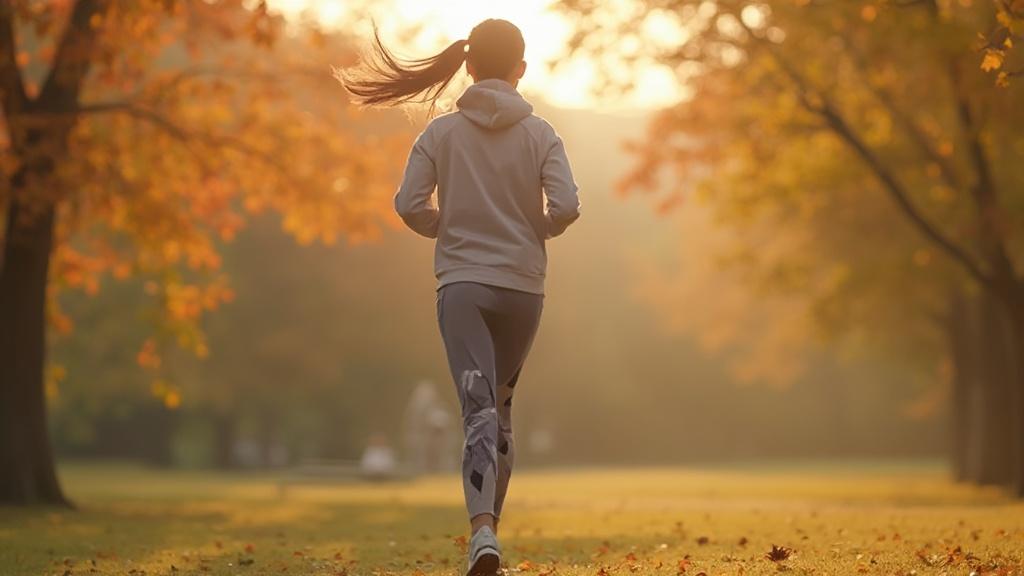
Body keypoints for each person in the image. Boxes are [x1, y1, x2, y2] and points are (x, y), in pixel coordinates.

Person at [339, 18, 580, 576]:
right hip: (524, 289)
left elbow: (408, 203)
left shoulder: (440, 134)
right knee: (499, 414)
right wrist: (535, 230)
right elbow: (566, 207)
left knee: (475, 410)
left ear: (468, 68)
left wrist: (444, 228)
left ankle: (483, 537)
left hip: (464, 286)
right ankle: (487, 536)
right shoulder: (542, 134)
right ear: (521, 69)